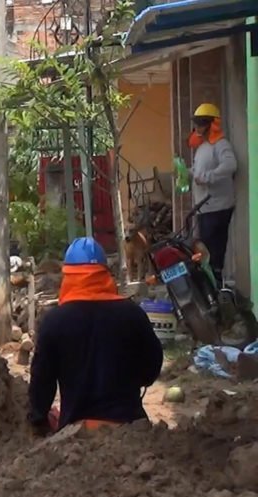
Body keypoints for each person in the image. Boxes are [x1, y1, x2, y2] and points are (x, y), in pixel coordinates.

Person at [28, 237, 163, 435]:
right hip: (131, 429)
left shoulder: (54, 321)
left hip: (77, 433)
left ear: (68, 276)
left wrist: (39, 421)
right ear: (105, 274)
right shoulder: (132, 314)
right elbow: (151, 368)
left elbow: (42, 381)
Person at [189, 103, 237, 284]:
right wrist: (187, 173)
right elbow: (199, 172)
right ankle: (210, 286)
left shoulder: (221, 145)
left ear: (212, 124)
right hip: (205, 207)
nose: (198, 127)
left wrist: (208, 177)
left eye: (202, 123)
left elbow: (230, 165)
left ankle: (215, 287)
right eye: (197, 123)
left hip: (218, 206)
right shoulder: (203, 147)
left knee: (213, 253)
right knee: (205, 251)